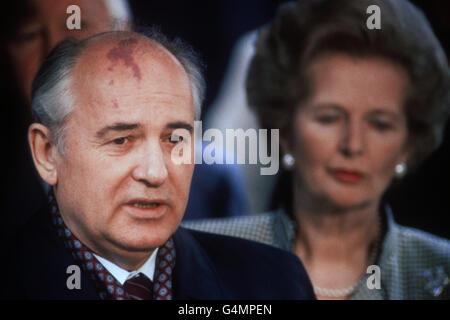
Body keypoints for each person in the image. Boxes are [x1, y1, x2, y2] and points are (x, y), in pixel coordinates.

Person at [3, 30, 314, 300]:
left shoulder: (277, 283)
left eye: (175, 140)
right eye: (121, 140)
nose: (155, 173)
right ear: (46, 152)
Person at [182, 0, 450, 299]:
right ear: (285, 130)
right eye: (329, 118)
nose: (353, 145)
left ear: (407, 145)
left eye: (380, 124)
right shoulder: (197, 255)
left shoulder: (441, 269)